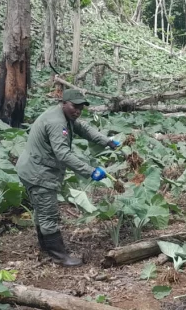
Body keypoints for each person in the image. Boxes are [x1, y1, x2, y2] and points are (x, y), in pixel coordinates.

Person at [16, 89, 120, 266]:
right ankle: (59, 256)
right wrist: (90, 171)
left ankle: (45, 247)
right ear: (63, 102)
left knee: (41, 210)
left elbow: (84, 129)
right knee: (48, 213)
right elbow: (63, 154)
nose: (78, 111)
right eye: (74, 106)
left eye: (81, 107)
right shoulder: (57, 122)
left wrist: (107, 141)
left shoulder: (64, 116)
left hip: (33, 168)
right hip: (38, 173)